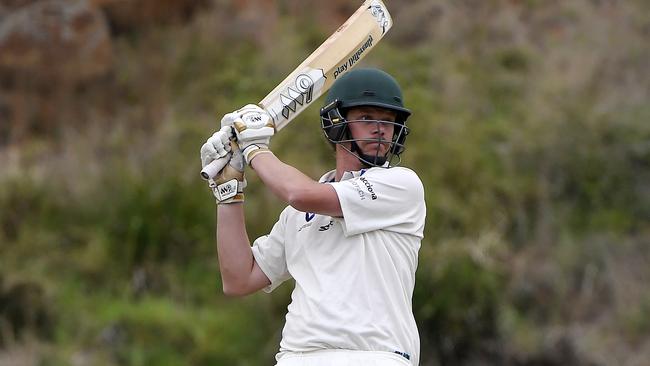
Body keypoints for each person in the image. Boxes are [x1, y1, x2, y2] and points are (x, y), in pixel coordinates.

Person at [200, 68, 426, 366]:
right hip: (297, 357)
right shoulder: (297, 216)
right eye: (367, 117)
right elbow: (239, 279)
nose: (380, 129)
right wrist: (229, 191)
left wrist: (253, 149)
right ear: (336, 122)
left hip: (374, 356)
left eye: (388, 121)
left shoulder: (400, 185)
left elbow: (298, 193)